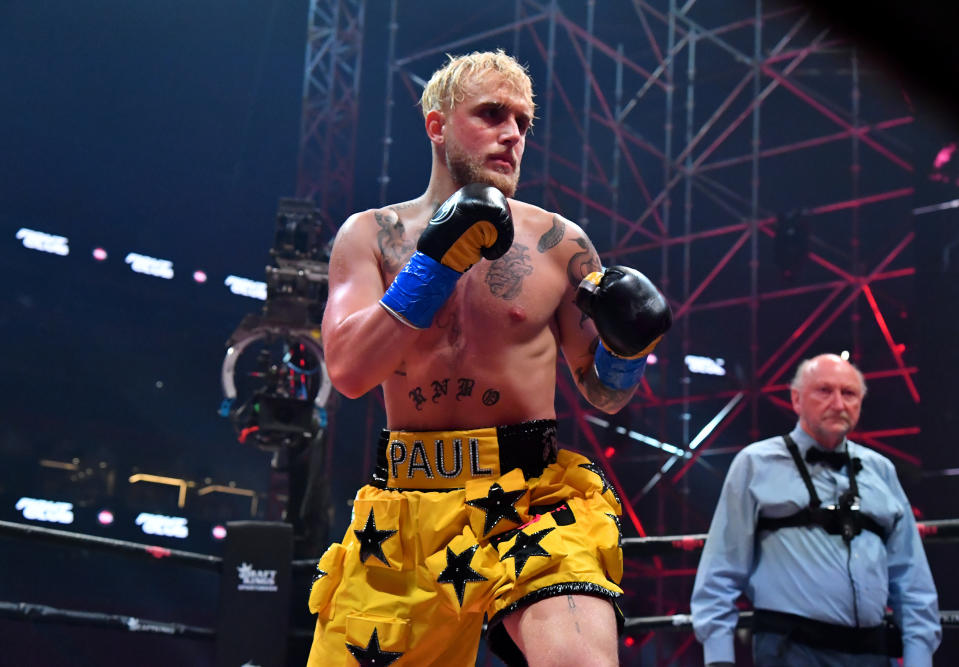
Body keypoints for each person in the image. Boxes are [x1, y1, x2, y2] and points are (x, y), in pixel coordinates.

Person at [306, 50, 670, 666]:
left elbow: (603, 393)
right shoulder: (371, 235)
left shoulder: (560, 243)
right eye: (493, 114)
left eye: (524, 123)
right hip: (407, 508)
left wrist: (627, 350)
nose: (512, 134)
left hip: (530, 501)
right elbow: (347, 372)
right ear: (437, 124)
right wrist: (435, 263)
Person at [690, 353, 941, 666]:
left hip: (873, 652)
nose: (838, 404)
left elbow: (912, 580)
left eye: (848, 393)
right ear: (796, 399)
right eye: (824, 391)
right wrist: (719, 660)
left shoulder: (882, 470)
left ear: (860, 402)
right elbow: (720, 571)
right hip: (792, 651)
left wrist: (919, 660)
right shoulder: (755, 464)